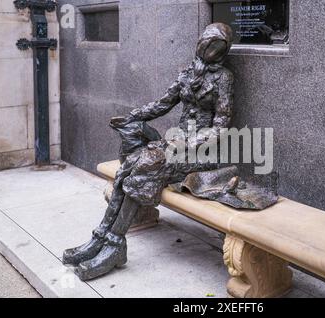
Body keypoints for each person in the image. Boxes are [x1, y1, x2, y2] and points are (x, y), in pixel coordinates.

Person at [63, 23, 234, 281]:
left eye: (219, 46)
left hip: (203, 153)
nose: (212, 50)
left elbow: (221, 125)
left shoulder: (224, 78)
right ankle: (100, 239)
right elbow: (162, 104)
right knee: (129, 165)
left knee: (144, 166)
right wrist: (132, 117)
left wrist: (188, 143)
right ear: (201, 43)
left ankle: (115, 246)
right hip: (178, 145)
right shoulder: (187, 73)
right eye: (209, 44)